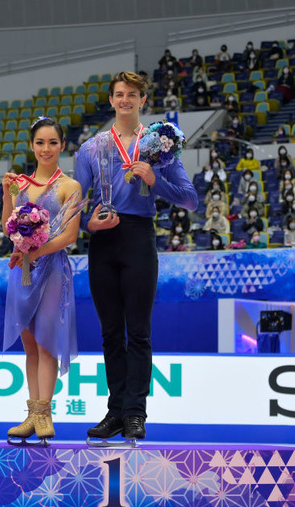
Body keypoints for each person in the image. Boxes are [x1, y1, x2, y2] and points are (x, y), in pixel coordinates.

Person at [75, 71, 197, 442]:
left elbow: (190, 199)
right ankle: (115, 412)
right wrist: (87, 225)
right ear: (111, 100)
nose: (125, 99)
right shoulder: (90, 148)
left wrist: (154, 179)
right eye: (119, 94)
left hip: (139, 238)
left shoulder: (160, 144)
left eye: (132, 94)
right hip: (103, 241)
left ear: (143, 100)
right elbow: (74, 205)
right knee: (111, 334)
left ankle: (135, 414)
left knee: (138, 333)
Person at [2, 118, 82, 443]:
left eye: (52, 142)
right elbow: (7, 225)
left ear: (62, 145)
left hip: (51, 269)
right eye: (40, 142)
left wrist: (35, 254)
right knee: (30, 346)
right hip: (21, 270)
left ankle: (45, 413)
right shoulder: (19, 184)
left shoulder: (70, 186)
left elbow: (71, 236)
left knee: (47, 341)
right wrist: (8, 196)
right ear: (31, 145)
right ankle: (32, 415)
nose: (46, 148)